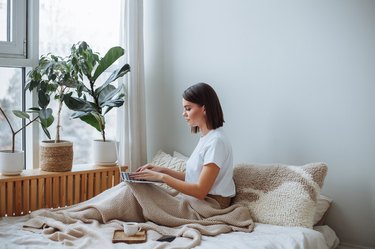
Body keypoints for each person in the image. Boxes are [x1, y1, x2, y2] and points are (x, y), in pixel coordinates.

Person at [130, 82, 235, 208]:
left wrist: (162, 177)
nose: (183, 113)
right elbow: (194, 178)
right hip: (200, 200)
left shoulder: (216, 141)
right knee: (133, 189)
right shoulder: (207, 138)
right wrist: (162, 170)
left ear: (205, 109)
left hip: (210, 204)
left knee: (136, 195)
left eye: (188, 108)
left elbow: (200, 191)